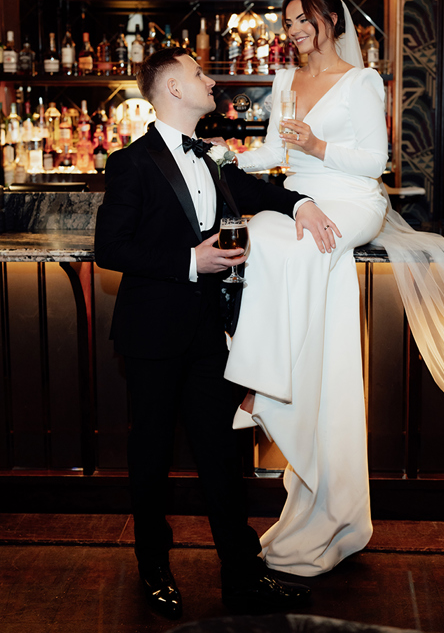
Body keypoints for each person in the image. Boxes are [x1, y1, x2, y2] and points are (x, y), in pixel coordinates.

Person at [94, 47, 341, 620]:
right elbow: (112, 248)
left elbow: (259, 194)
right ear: (173, 90)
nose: (211, 79)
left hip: (209, 334)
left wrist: (301, 203)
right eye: (199, 74)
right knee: (151, 457)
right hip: (151, 333)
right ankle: (154, 568)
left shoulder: (212, 158)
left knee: (222, 458)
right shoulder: (131, 163)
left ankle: (243, 577)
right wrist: (188, 261)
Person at [224, 0, 389, 576]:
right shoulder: (285, 82)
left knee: (290, 245)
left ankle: (259, 386)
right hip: (303, 198)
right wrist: (220, 154)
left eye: (302, 20)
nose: (292, 30)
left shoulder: (361, 82)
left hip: (352, 199)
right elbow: (272, 155)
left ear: (330, 21)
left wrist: (318, 143)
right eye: (287, 21)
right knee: (266, 235)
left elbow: (377, 162)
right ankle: (268, 379)